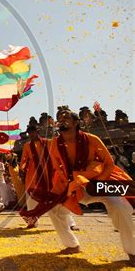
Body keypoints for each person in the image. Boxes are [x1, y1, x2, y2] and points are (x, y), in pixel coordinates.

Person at [24, 108, 134, 264]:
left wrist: (98, 182)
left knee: (119, 206)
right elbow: (57, 168)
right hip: (72, 184)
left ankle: (132, 251)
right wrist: (69, 186)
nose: (61, 120)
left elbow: (109, 164)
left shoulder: (92, 139)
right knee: (54, 209)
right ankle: (72, 245)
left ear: (76, 122)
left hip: (97, 182)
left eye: (65, 118)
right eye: (59, 118)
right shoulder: (54, 143)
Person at [19, 126, 78, 230]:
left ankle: (71, 223)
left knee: (60, 199)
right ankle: (32, 222)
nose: (31, 135)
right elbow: (23, 159)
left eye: (33, 132)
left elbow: (58, 154)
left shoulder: (49, 142)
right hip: (34, 175)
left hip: (52, 174)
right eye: (29, 133)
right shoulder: (27, 146)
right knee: (31, 198)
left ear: (38, 132)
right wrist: (21, 169)